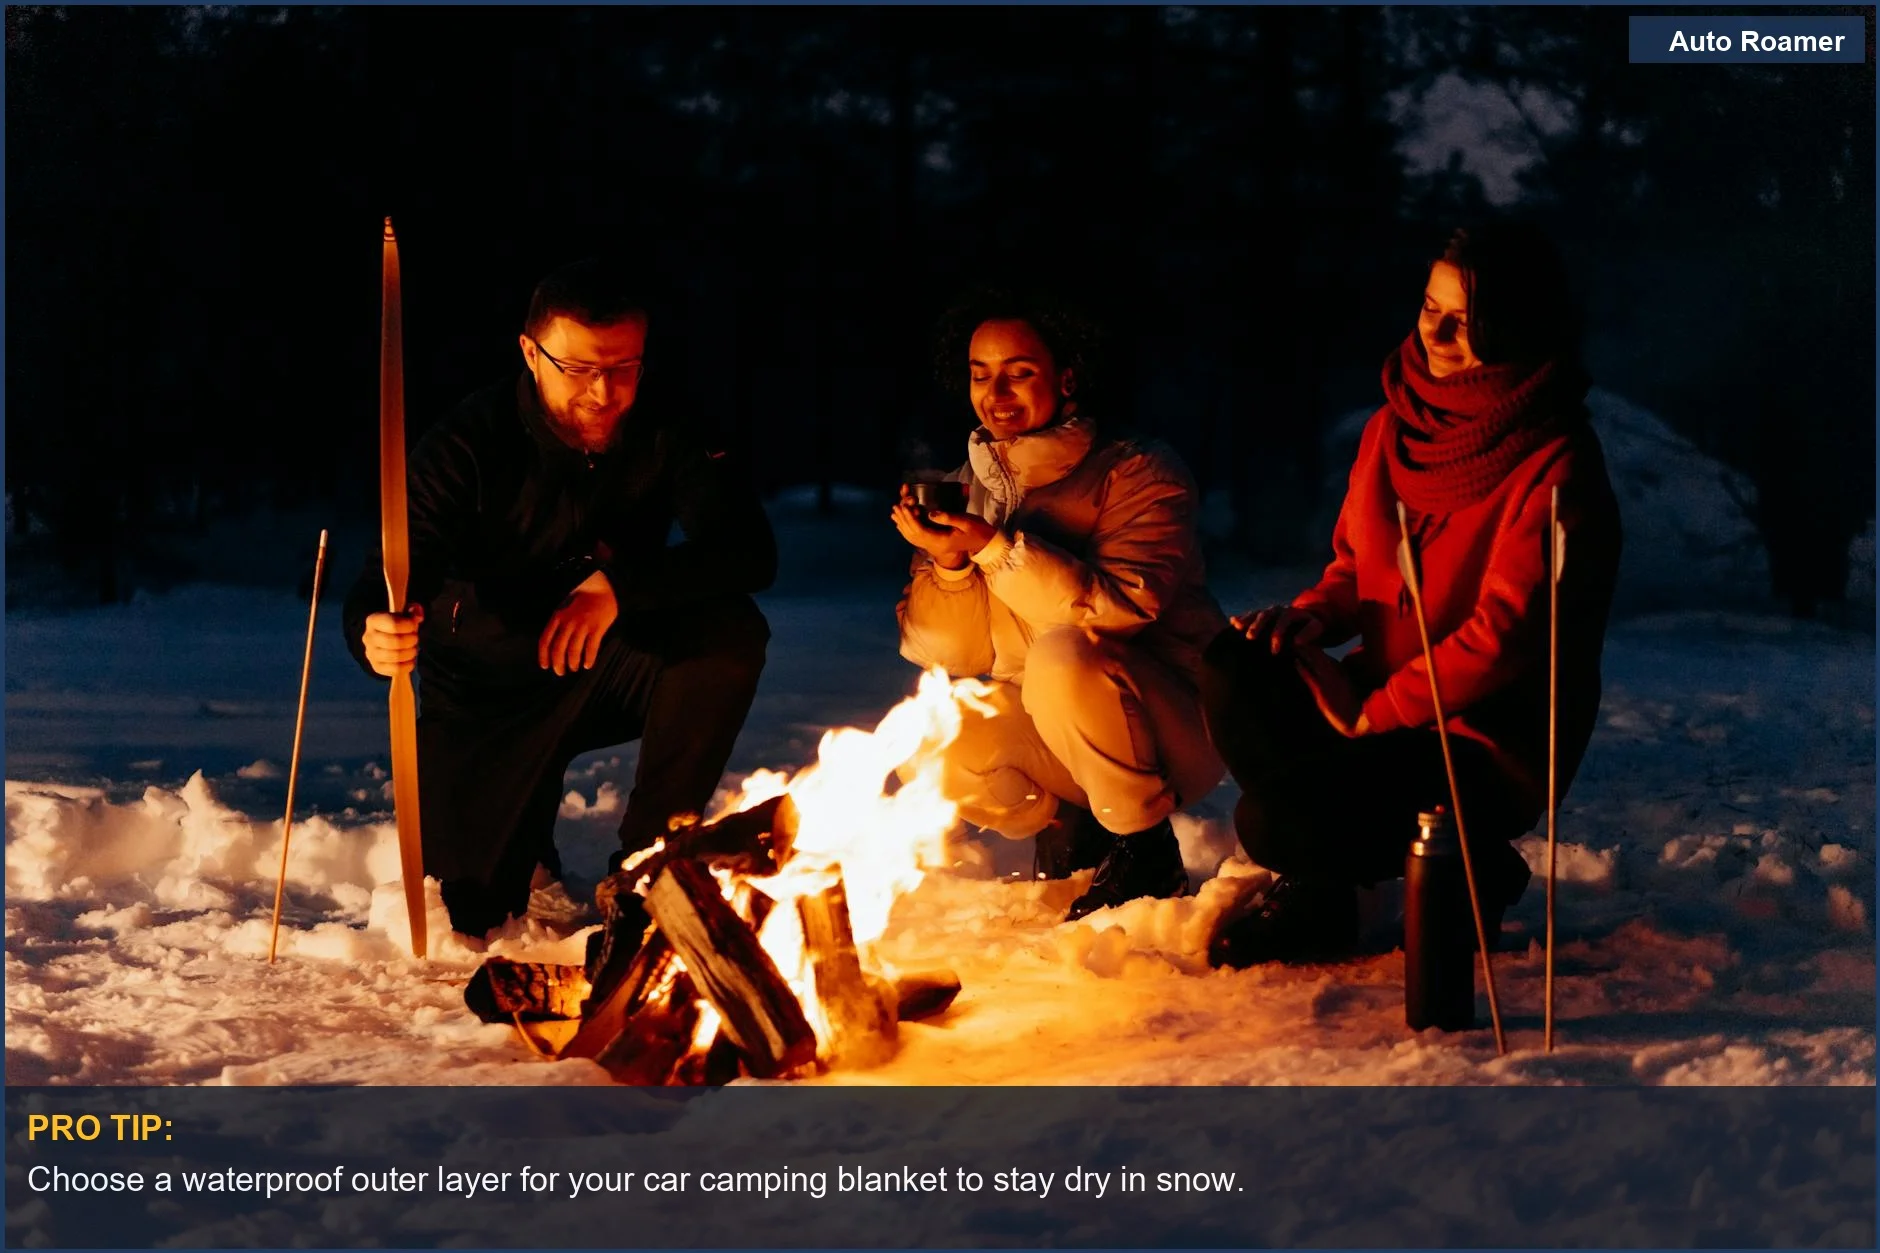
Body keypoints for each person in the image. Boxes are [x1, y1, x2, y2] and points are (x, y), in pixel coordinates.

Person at [1200, 222, 1622, 968]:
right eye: (1432, 308)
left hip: (1483, 740)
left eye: (1468, 319)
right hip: (1385, 700)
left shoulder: (1556, 461)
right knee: (1237, 663)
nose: (1440, 332)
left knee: (1271, 820)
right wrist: (1309, 620)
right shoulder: (1392, 428)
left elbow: (1503, 635)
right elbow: (1354, 566)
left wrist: (1374, 713)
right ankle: (1321, 897)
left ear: (1517, 324)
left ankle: (1474, 863)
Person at [342, 257, 776, 939]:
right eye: (578, 369)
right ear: (530, 353)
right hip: (488, 689)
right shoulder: (466, 442)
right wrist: (374, 632)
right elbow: (387, 577)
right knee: (473, 915)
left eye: (623, 366)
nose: (603, 392)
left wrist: (619, 586)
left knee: (728, 634)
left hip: (608, 662)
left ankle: (647, 869)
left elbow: (749, 550)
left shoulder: (668, 422)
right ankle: (520, 830)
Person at [893, 289, 1228, 921]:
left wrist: (996, 549)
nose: (997, 394)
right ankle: (1075, 823)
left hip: (1173, 723)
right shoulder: (969, 489)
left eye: (1019, 373)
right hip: (1055, 727)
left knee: (1062, 655)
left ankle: (1144, 847)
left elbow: (1126, 606)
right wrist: (950, 564)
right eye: (980, 374)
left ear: (1067, 377)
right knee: (934, 736)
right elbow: (950, 653)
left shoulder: (1138, 472)